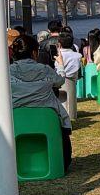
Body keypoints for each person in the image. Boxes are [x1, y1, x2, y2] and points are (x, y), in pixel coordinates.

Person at [9, 34, 72, 171]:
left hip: (17, 118)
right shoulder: (45, 70)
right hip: (47, 117)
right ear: (34, 52)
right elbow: (60, 81)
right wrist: (60, 65)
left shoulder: (6, 72)